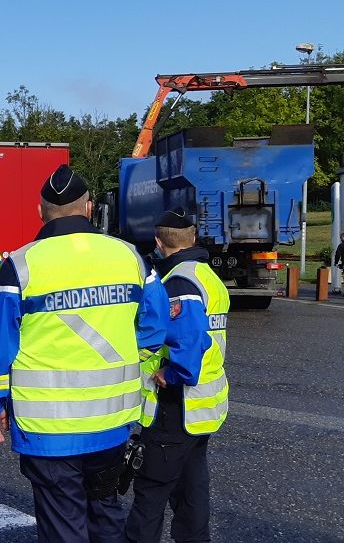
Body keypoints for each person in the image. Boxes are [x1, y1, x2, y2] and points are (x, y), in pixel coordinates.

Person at [0, 164, 169, 543]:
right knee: (105, 512)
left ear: (39, 212)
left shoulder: (21, 265)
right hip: (112, 422)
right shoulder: (130, 256)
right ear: (90, 207)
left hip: (49, 428)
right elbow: (155, 328)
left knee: (64, 525)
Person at [126, 207, 230, 543]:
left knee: (151, 492)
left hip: (176, 404)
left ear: (158, 242)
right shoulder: (206, 275)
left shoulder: (179, 281)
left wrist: (173, 372)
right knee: (192, 492)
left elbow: (190, 335)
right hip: (203, 406)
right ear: (194, 237)